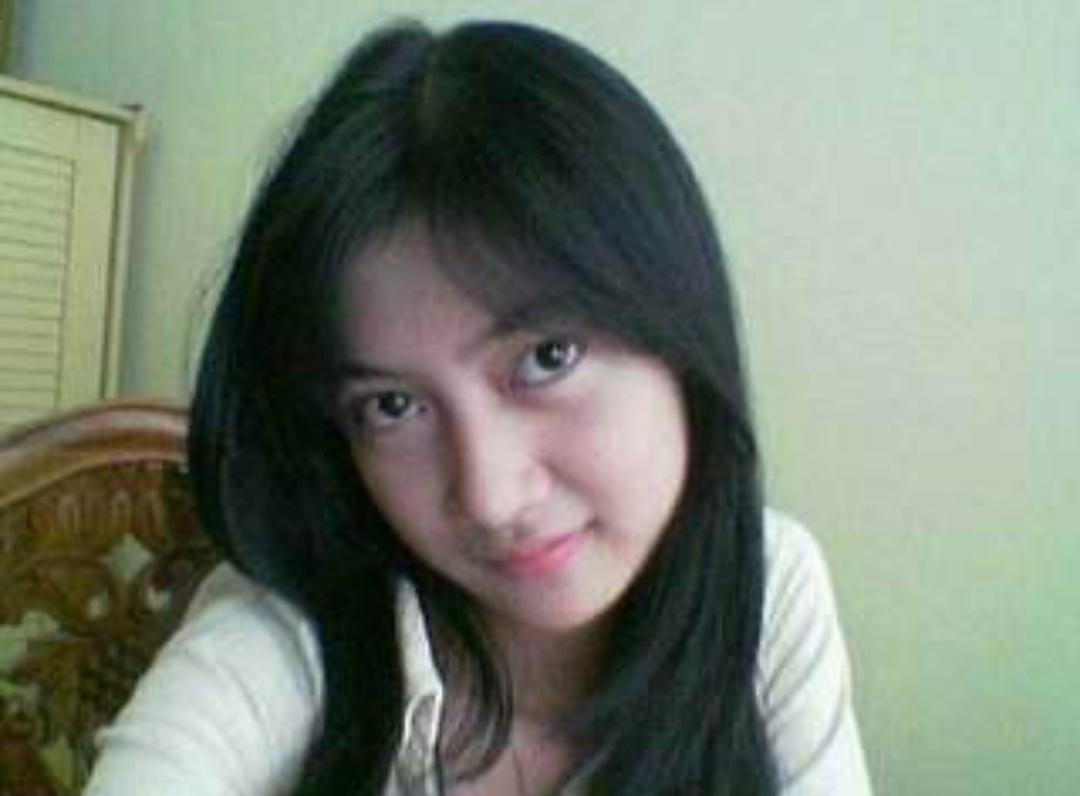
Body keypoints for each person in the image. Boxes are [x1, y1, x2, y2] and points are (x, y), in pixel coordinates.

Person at [85, 19, 872, 796]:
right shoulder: (294, 634)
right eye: (392, 405)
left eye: (547, 358)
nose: (490, 497)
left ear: (679, 326)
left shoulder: (767, 592)